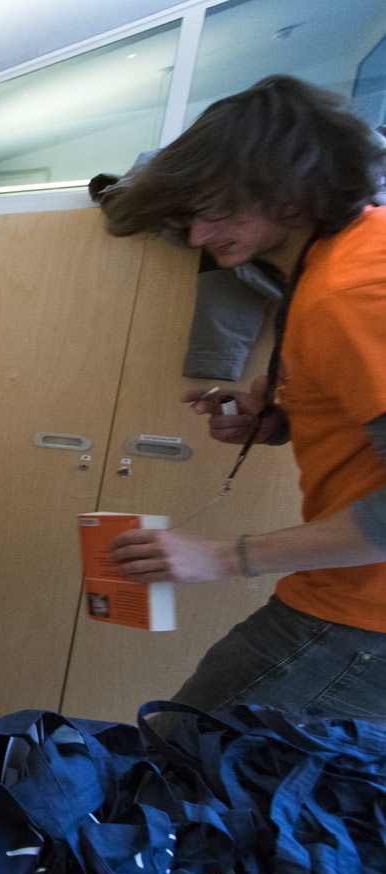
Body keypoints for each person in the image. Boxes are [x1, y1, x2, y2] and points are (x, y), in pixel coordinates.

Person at [101, 75, 386, 721]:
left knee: (181, 757)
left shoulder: (352, 290)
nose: (198, 236)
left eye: (217, 211)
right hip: (352, 599)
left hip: (364, 616)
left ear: (290, 187)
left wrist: (220, 557)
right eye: (190, 216)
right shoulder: (334, 262)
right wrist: (282, 420)